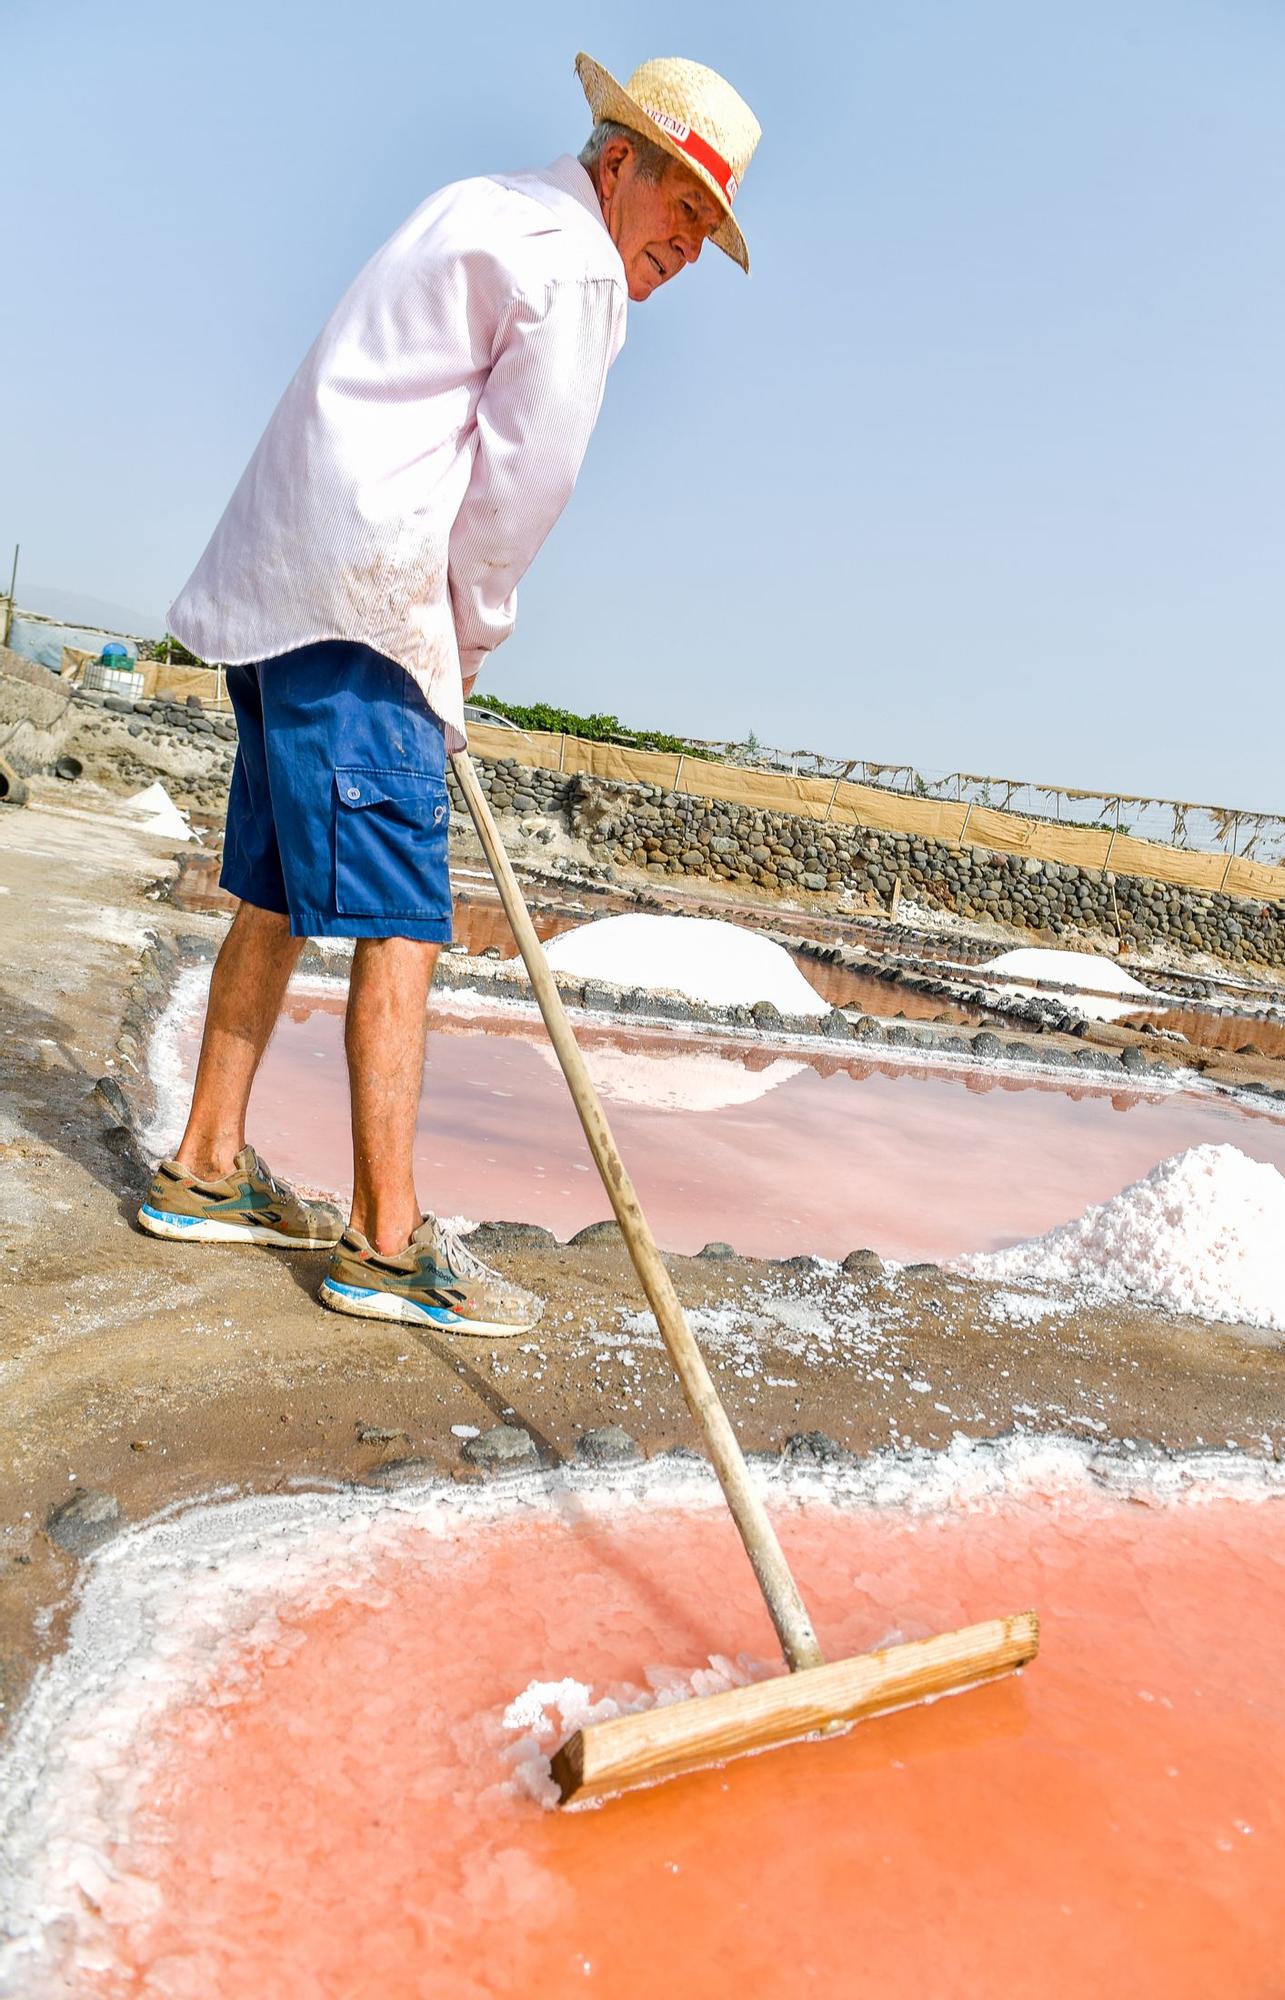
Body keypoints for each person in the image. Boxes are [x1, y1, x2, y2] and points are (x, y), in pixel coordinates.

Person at [137, 53, 762, 1339]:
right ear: (616, 163)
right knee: (404, 918)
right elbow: (519, 491)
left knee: (269, 884)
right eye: (681, 210)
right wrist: (462, 649)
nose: (687, 246)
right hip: (372, 604)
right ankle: (385, 1239)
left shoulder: (482, 204)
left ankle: (206, 1161)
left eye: (706, 227)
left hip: (288, 580)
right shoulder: (577, 265)